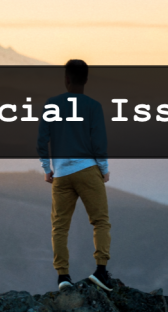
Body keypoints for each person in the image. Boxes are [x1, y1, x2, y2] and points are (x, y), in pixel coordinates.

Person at [38, 59, 113, 292]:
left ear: (66, 79)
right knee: (100, 221)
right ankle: (100, 271)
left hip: (61, 175)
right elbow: (99, 142)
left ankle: (63, 276)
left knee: (59, 226)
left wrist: (47, 169)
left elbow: (42, 140)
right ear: (86, 79)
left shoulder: (52, 104)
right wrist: (104, 169)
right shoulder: (93, 106)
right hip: (88, 170)